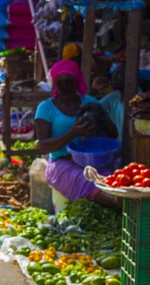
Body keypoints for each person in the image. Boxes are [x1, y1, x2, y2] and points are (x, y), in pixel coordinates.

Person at [35, 59, 119, 208]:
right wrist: (73, 133)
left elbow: (113, 134)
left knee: (111, 181)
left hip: (94, 161)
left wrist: (101, 115)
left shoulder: (89, 102)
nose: (65, 87)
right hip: (62, 163)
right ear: (54, 84)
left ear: (77, 81)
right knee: (88, 183)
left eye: (69, 82)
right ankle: (119, 205)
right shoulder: (46, 107)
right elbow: (44, 146)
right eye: (60, 83)